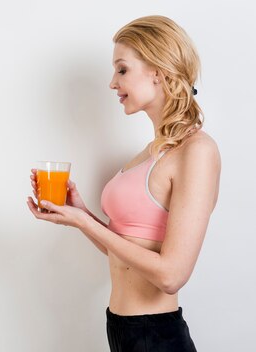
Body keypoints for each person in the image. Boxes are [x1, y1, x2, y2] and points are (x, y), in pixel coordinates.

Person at [26, 15, 221, 352]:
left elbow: (172, 274)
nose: (112, 83)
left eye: (122, 69)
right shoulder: (149, 153)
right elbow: (124, 252)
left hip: (157, 336)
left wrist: (84, 221)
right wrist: (80, 214)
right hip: (121, 329)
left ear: (158, 70)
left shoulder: (197, 151)